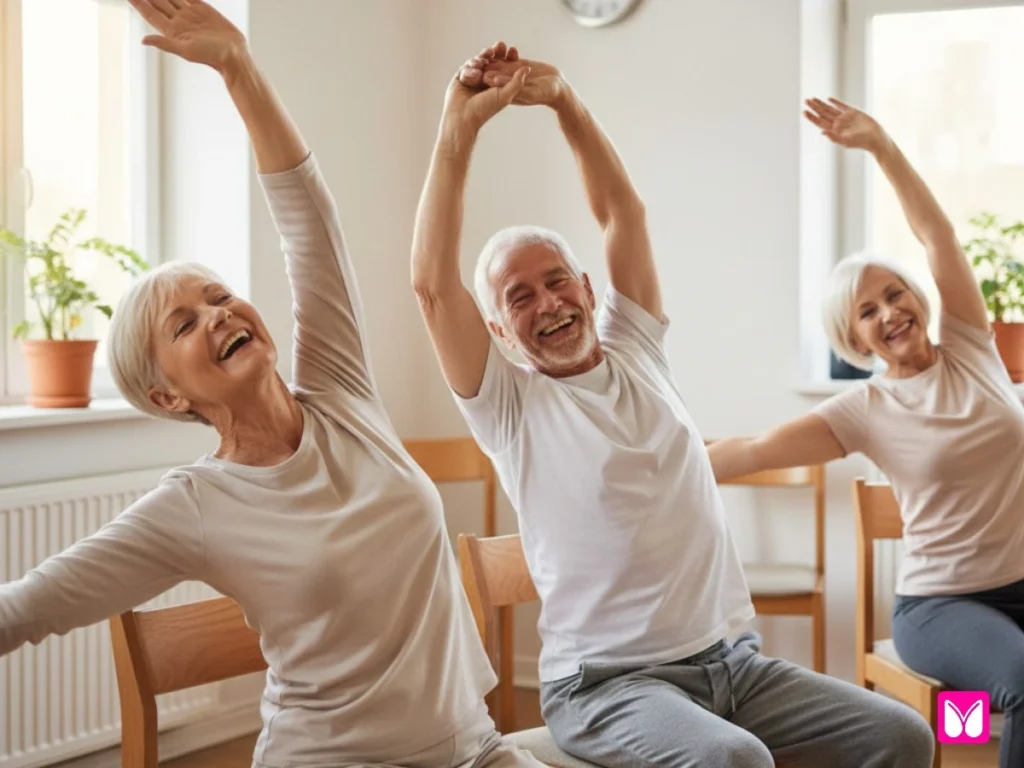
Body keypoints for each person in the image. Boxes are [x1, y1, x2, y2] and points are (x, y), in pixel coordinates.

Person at [0, 4, 545, 768]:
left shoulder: (341, 391)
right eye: (185, 325)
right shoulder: (193, 505)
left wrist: (238, 67)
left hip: (470, 748)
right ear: (166, 397)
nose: (218, 316)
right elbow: (28, 606)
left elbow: (307, 223)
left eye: (218, 296)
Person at [412, 46, 935, 768]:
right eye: (519, 297)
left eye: (557, 281)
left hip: (732, 665)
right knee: (735, 761)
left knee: (904, 735)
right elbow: (434, 286)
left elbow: (621, 210)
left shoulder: (638, 349)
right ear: (498, 331)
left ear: (589, 290)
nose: (549, 304)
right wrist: (456, 130)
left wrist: (566, 102)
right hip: (606, 685)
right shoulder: (509, 406)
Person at [708, 97, 1024, 768]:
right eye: (868, 311)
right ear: (852, 338)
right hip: (942, 610)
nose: (891, 313)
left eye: (895, 295)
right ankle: (964, 751)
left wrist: (880, 146)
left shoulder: (973, 346)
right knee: (1022, 681)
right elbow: (755, 451)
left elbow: (937, 234)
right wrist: (646, 461)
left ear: (919, 296)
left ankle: (966, 754)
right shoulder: (864, 410)